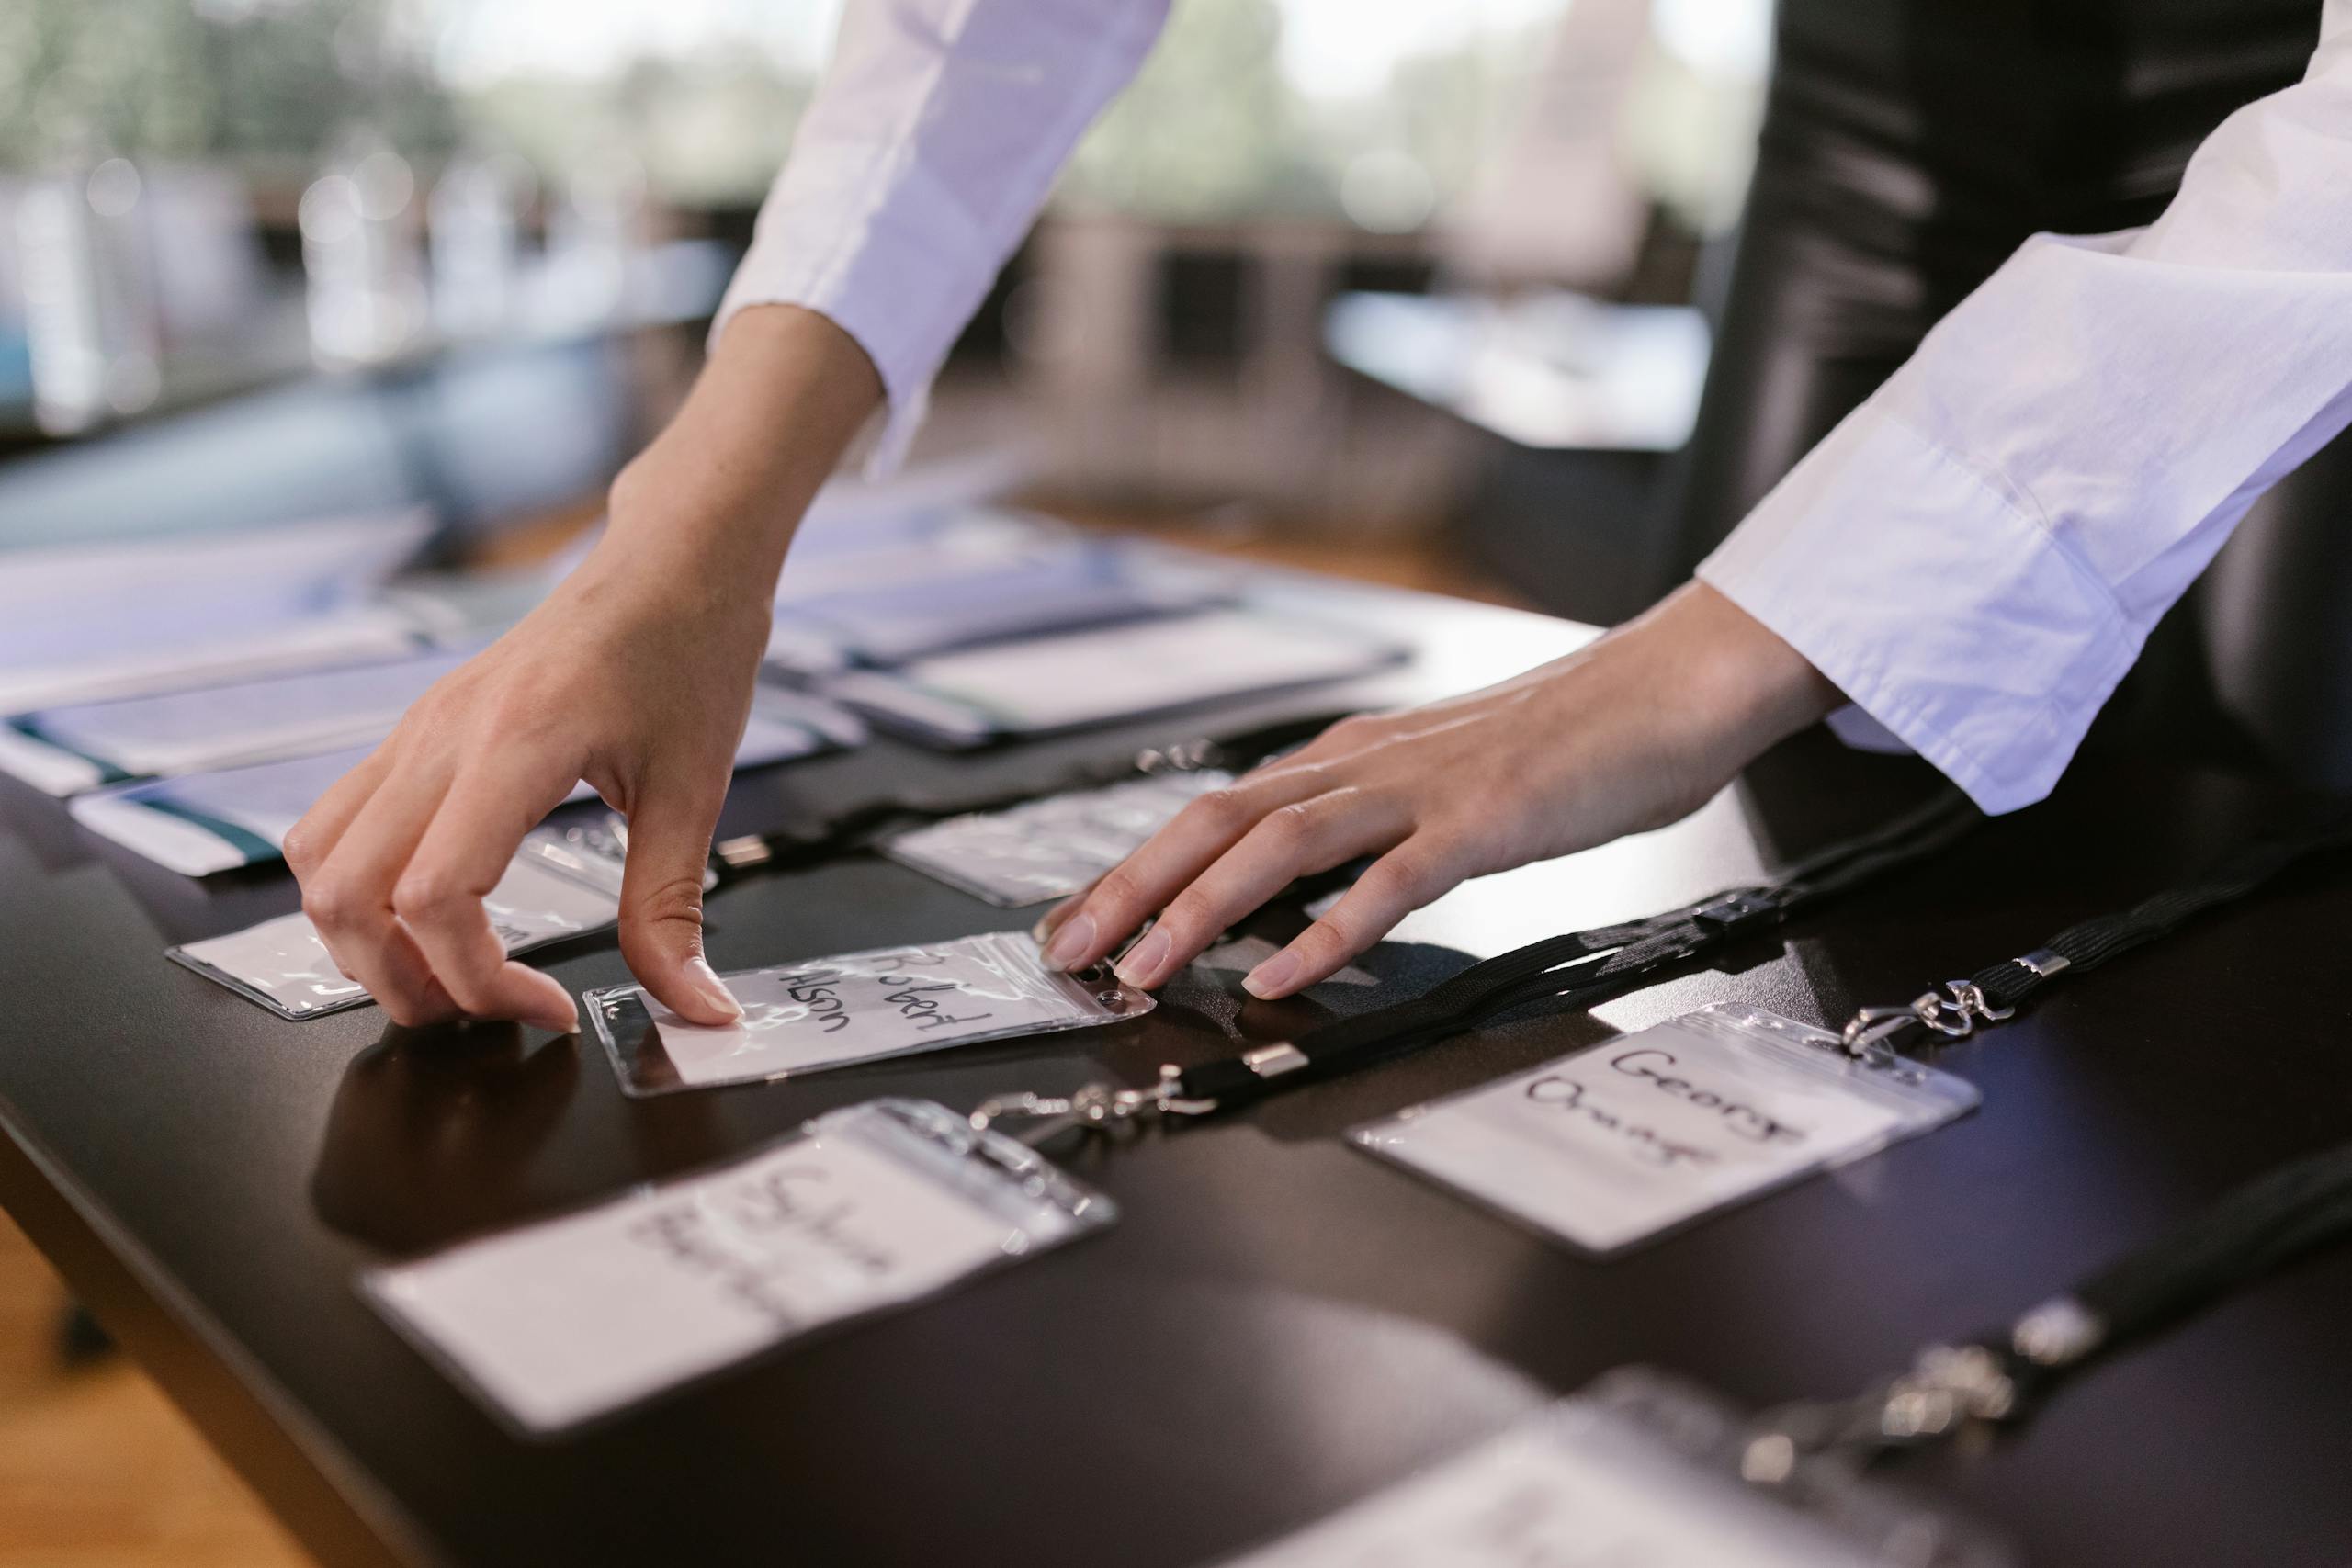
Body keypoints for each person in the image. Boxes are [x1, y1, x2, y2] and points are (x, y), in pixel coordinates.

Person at [285, 0, 2352, 1032]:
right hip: (1882, 99)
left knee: (2244, 936)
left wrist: (1655, 671)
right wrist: (680, 534)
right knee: (1782, 939)